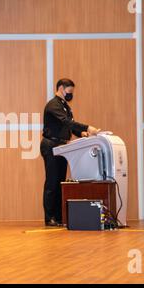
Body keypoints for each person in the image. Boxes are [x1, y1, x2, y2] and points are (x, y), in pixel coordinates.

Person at [40, 78, 100, 227]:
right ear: (61, 88)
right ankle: (50, 217)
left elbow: (70, 127)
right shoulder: (53, 105)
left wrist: (82, 133)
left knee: (60, 182)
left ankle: (59, 216)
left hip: (61, 146)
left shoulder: (65, 106)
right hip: (51, 145)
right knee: (52, 182)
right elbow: (67, 122)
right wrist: (87, 127)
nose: (70, 95)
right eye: (69, 91)